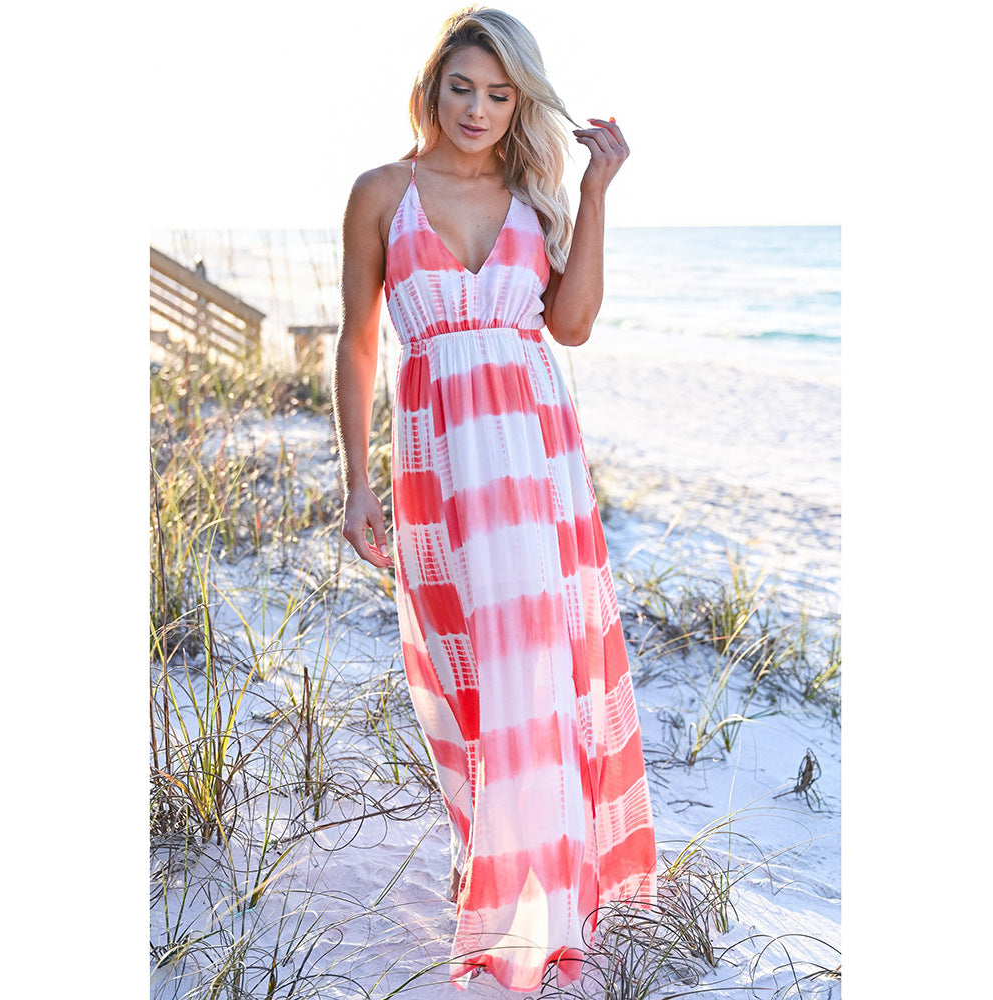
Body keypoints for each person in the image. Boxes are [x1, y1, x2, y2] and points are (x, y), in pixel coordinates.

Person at [332, 6, 657, 992]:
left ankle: (540, 898)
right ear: (432, 88)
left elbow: (573, 324)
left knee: (542, 674)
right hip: (438, 465)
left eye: (500, 94)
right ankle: (496, 867)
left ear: (520, 104)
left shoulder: (531, 197)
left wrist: (593, 192)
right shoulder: (381, 193)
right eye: (462, 87)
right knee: (465, 677)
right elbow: (357, 342)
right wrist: (356, 482)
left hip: (537, 463)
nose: (477, 109)